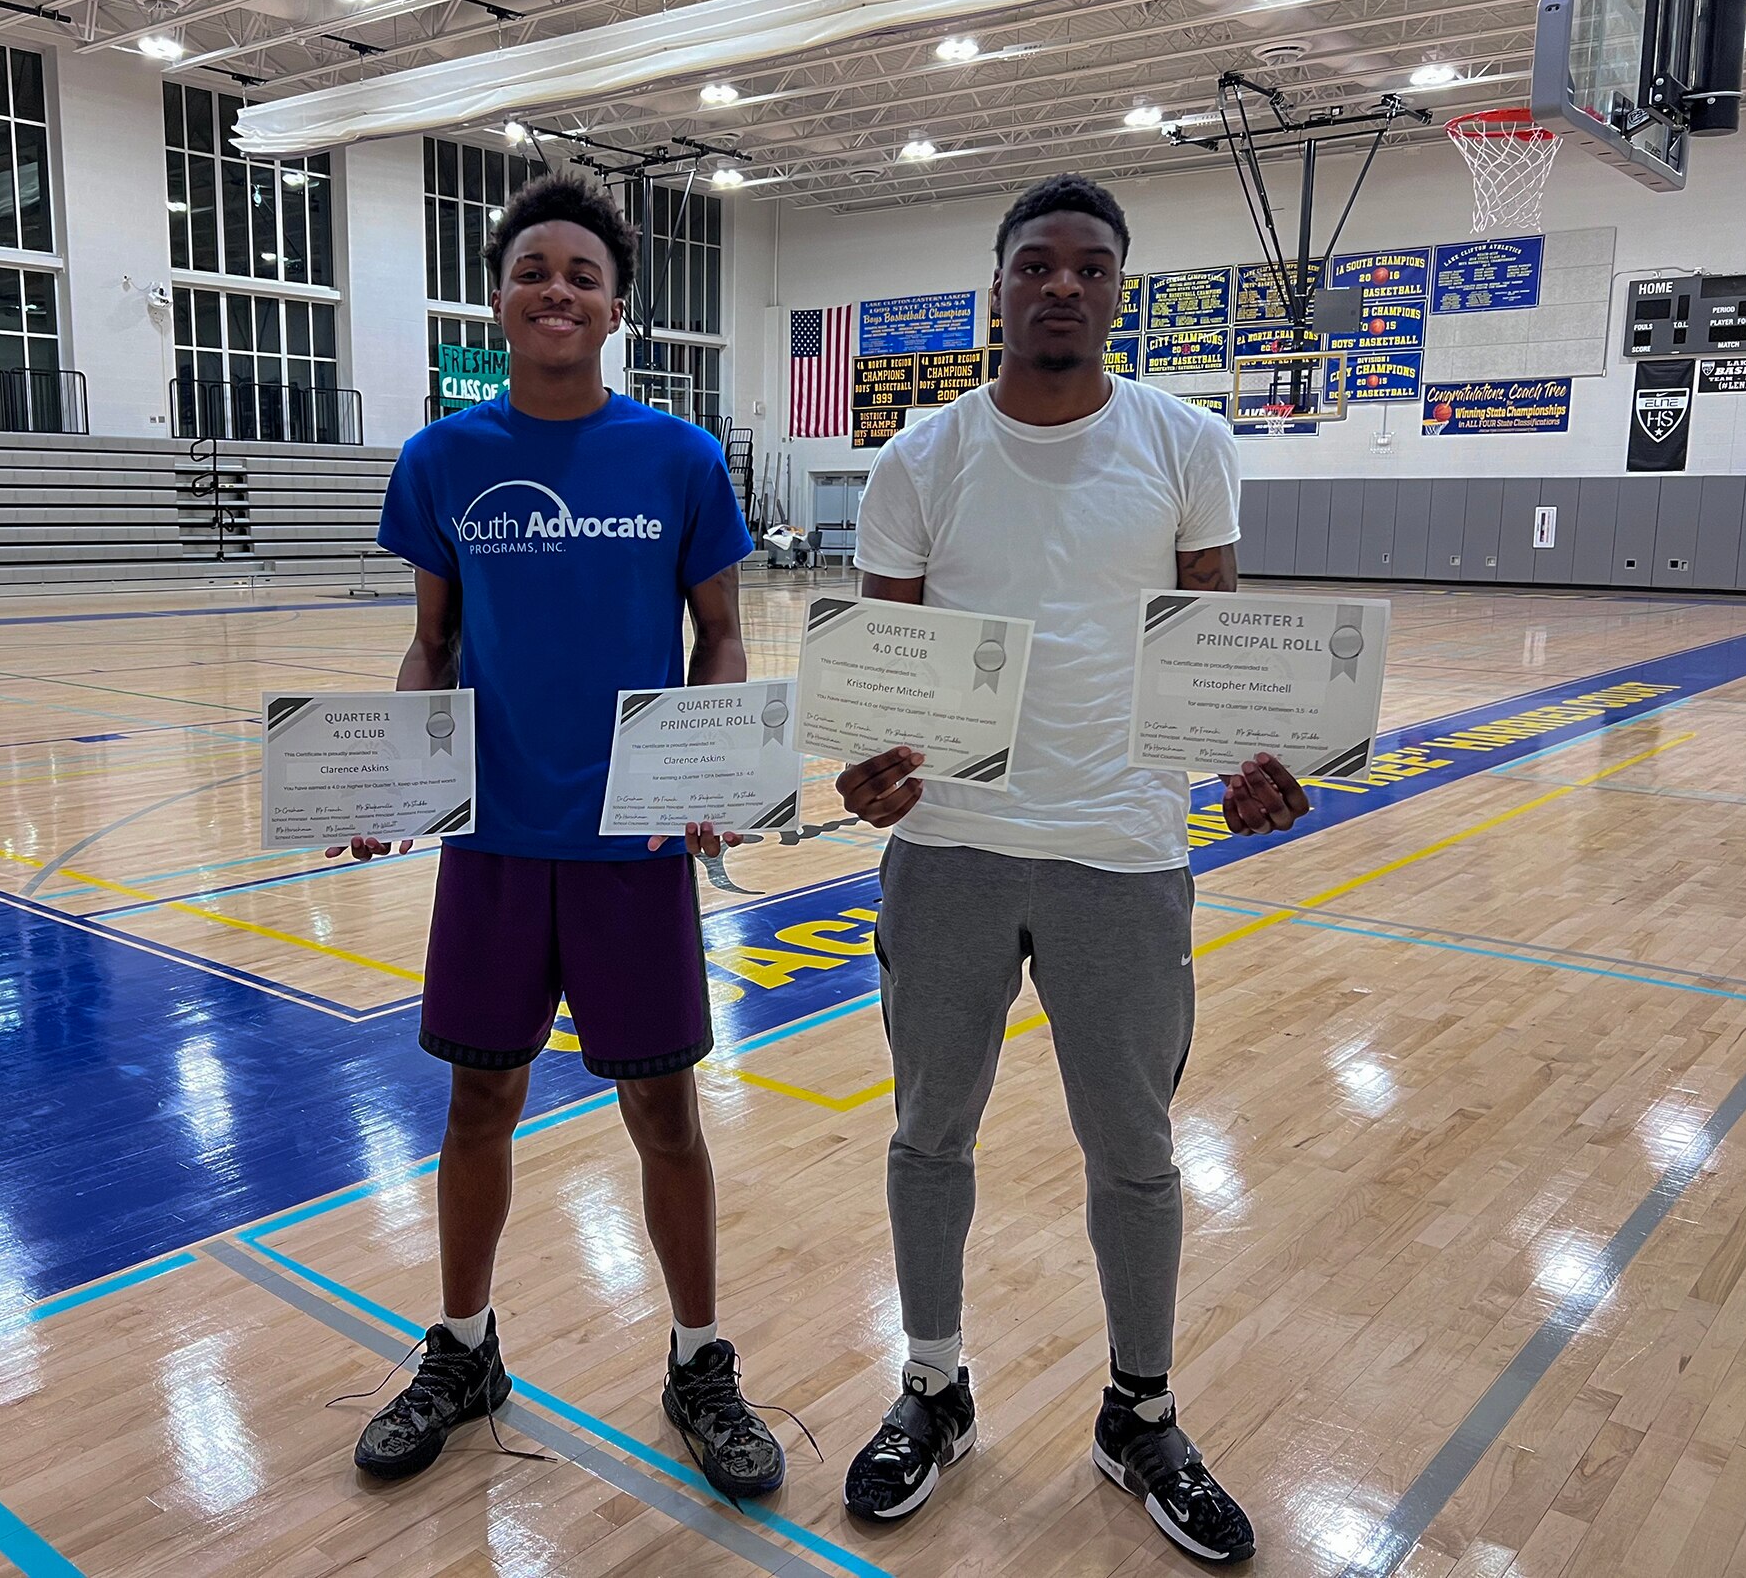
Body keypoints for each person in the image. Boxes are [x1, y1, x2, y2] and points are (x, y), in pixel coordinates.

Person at [836, 174, 1312, 1565]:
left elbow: (1208, 651)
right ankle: (934, 1384)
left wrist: (1249, 766)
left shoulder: (1186, 444)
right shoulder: (917, 460)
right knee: (930, 1135)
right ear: (997, 288)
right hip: (952, 856)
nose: (1061, 285)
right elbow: (886, 680)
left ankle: (1139, 1414)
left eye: (1089, 267)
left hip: (1122, 851)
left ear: (1118, 290)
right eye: (1035, 264)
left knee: (1137, 1155)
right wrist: (872, 771)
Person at [336, 172, 786, 1503]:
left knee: (666, 1112)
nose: (557, 290)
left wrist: (711, 765)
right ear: (498, 296)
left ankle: (700, 1359)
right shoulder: (441, 462)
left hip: (633, 853)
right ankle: (465, 1350)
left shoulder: (679, 459)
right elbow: (430, 643)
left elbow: (720, 635)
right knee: (479, 1100)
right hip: (493, 847)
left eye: (583, 275)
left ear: (615, 307)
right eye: (534, 268)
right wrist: (392, 786)